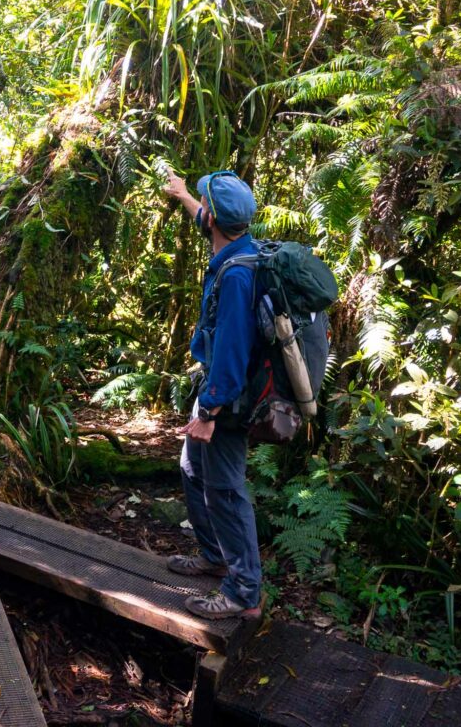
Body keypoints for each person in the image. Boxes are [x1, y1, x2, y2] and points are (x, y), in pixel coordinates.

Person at [162, 167, 263, 620]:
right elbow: (204, 214)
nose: (201, 211)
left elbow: (232, 351)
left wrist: (209, 410)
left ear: (215, 223)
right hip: (218, 388)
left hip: (229, 396)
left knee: (224, 489)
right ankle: (214, 555)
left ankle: (244, 592)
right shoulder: (236, 243)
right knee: (191, 468)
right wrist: (183, 192)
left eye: (205, 206)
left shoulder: (238, 275)